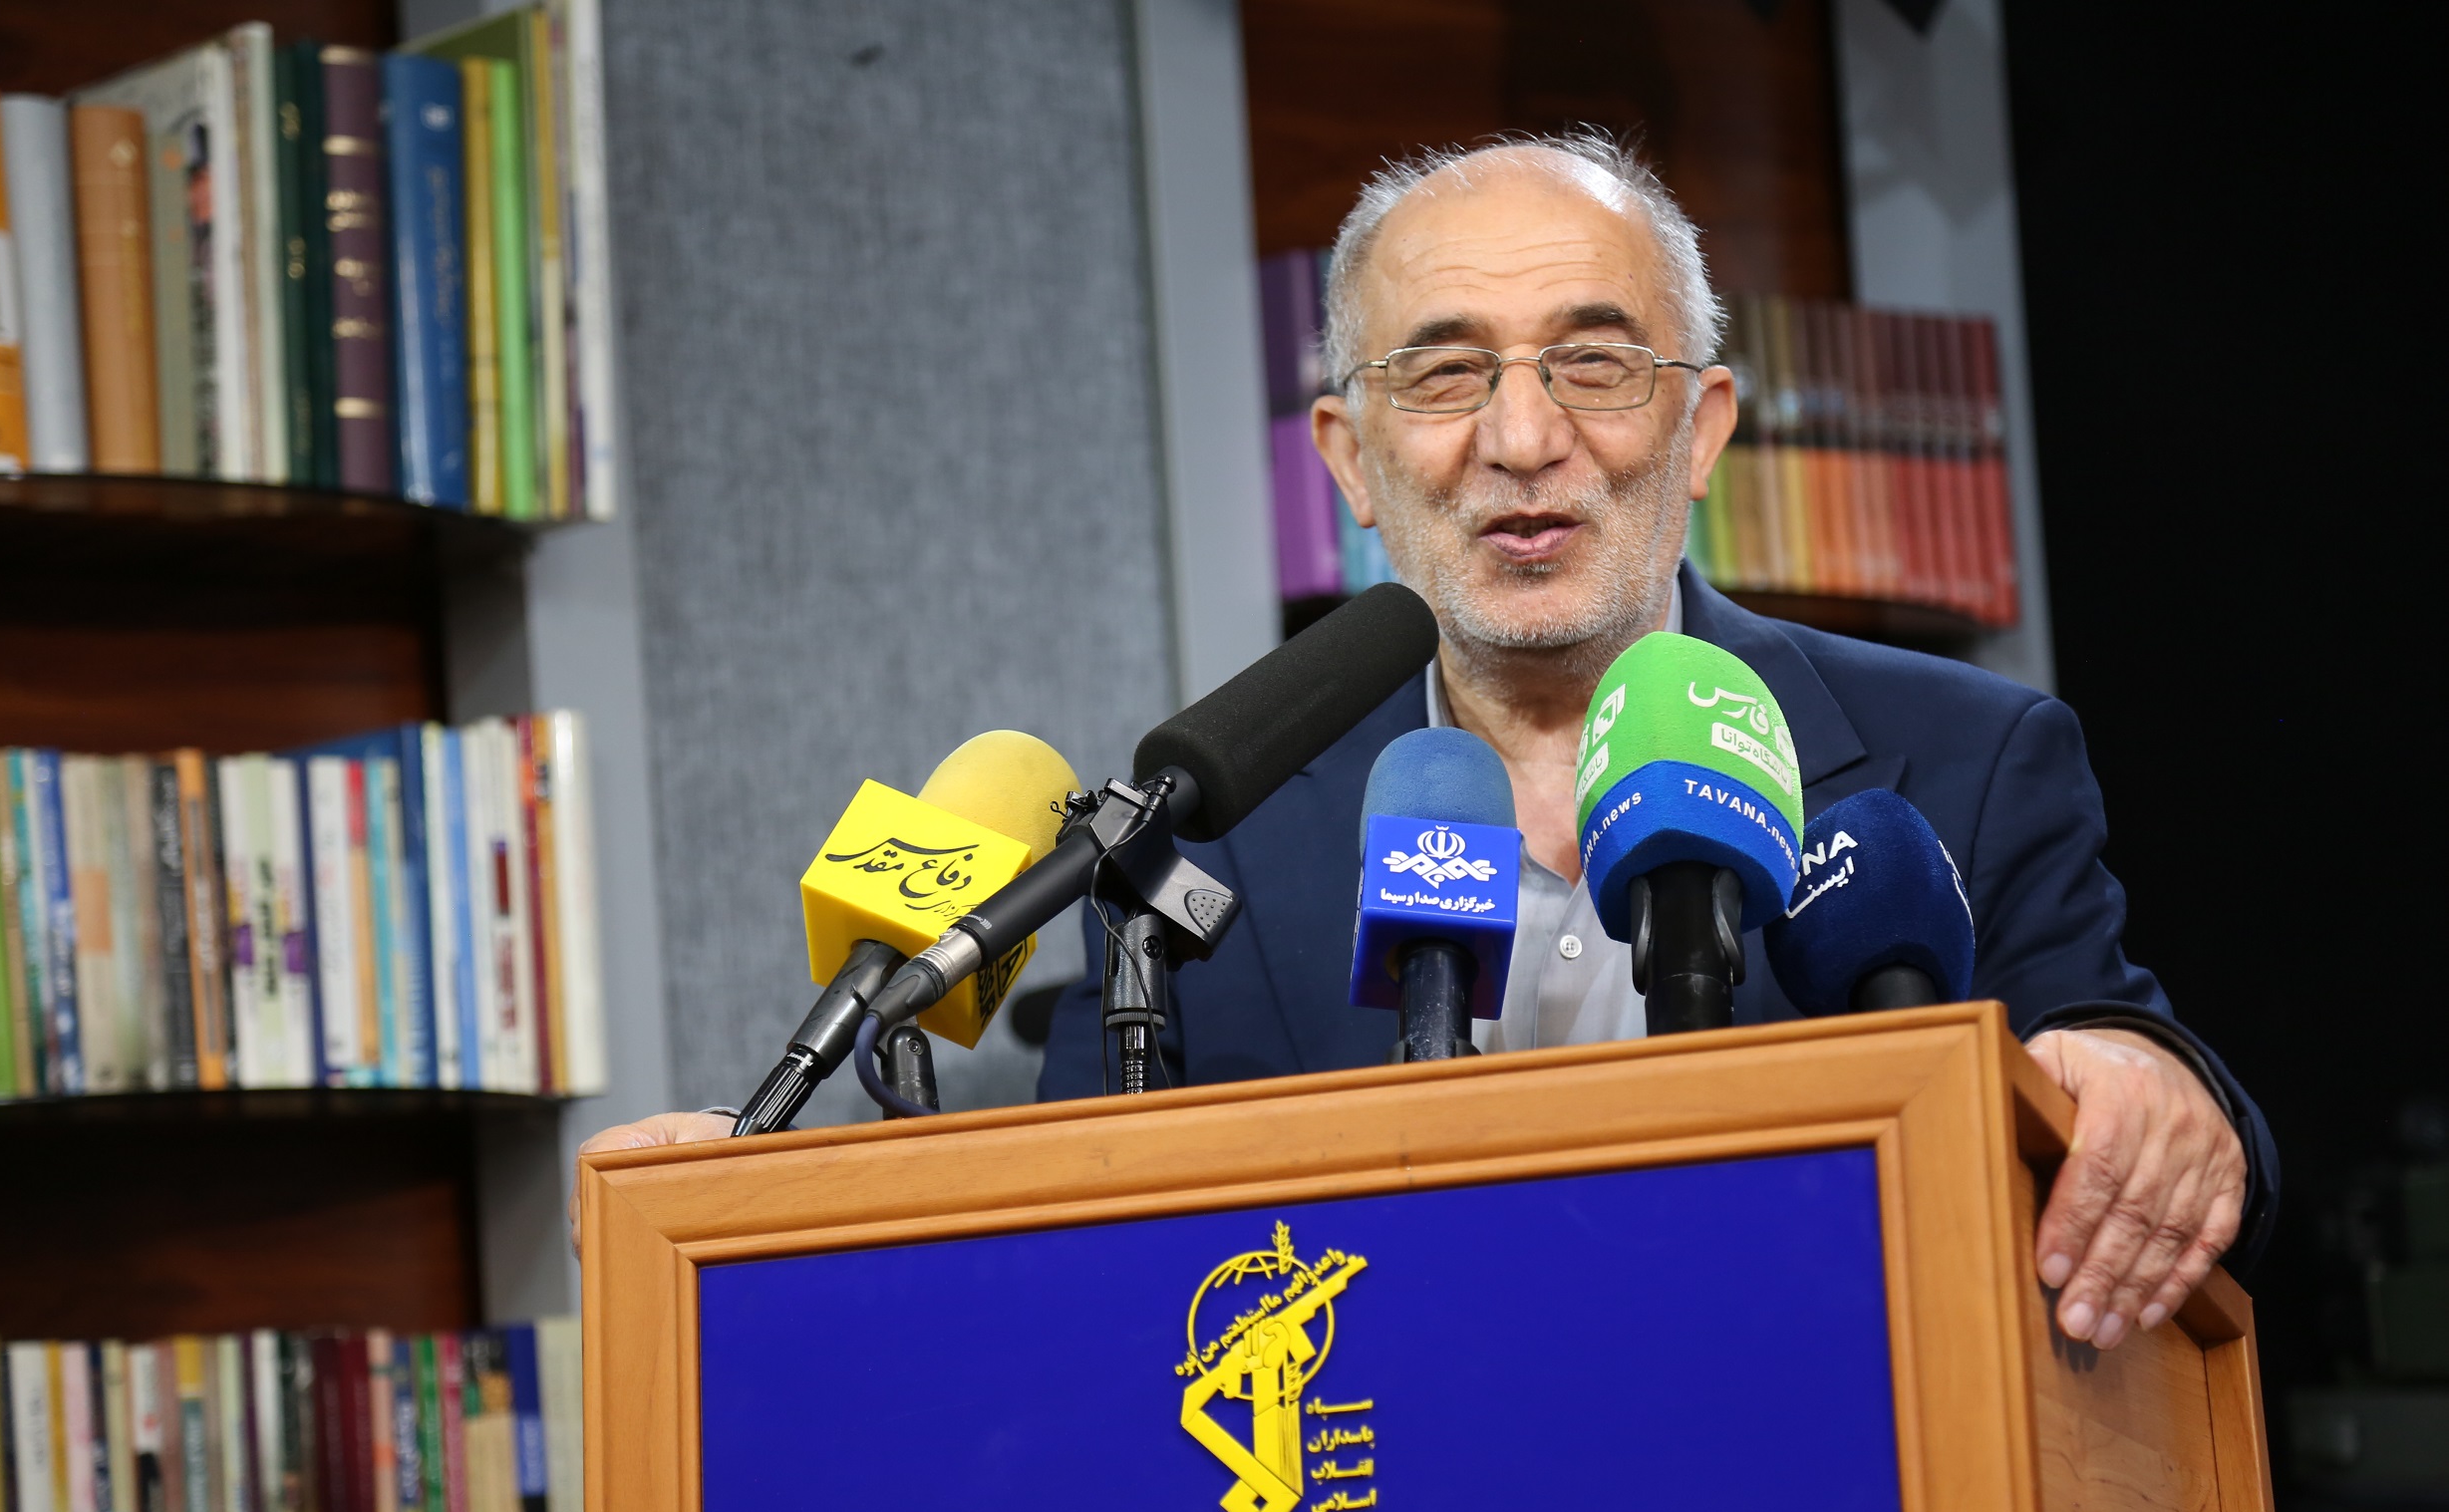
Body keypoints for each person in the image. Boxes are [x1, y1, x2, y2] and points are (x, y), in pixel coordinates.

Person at [580, 135, 2273, 1357]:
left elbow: (2156, 1105)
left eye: (1594, 363)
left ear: (1702, 428)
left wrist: (2160, 1089)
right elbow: (1063, 1259)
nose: (1522, 438)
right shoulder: (1202, 835)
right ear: (1352, 458)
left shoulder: (1960, 756)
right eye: (1446, 376)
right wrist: (767, 1240)